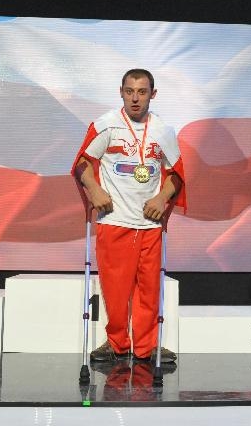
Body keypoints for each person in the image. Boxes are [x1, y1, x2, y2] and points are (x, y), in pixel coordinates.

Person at [72, 68, 185, 364]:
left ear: (153, 94)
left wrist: (162, 197)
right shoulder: (106, 125)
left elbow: (176, 174)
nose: (135, 98)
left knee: (149, 290)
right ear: (121, 92)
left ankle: (146, 347)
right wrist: (95, 191)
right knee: (116, 290)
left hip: (149, 224)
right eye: (130, 91)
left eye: (142, 92)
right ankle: (117, 343)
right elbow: (82, 163)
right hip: (115, 220)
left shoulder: (163, 131)